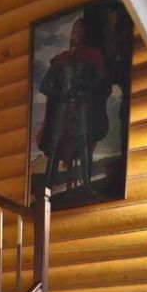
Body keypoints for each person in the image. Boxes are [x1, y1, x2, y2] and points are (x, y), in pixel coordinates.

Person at [36, 14, 113, 195]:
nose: (79, 34)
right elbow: (44, 86)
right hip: (63, 108)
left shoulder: (92, 57)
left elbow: (101, 79)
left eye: (82, 31)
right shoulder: (61, 60)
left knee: (85, 142)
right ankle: (48, 186)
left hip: (83, 105)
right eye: (76, 31)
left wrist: (87, 86)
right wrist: (61, 95)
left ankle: (86, 183)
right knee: (55, 144)